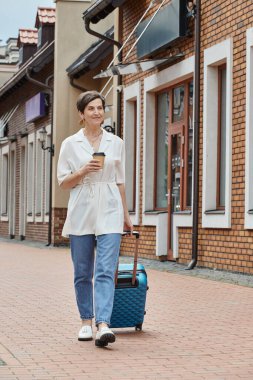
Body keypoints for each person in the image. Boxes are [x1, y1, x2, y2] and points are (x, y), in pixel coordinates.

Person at [57, 90, 133, 347]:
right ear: (81, 114)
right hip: (82, 208)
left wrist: (126, 214)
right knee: (82, 271)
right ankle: (85, 322)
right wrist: (82, 170)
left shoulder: (116, 142)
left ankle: (103, 324)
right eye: (91, 108)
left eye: (100, 107)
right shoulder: (70, 144)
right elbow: (63, 184)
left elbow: (120, 181)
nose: (97, 112)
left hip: (110, 208)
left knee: (105, 270)